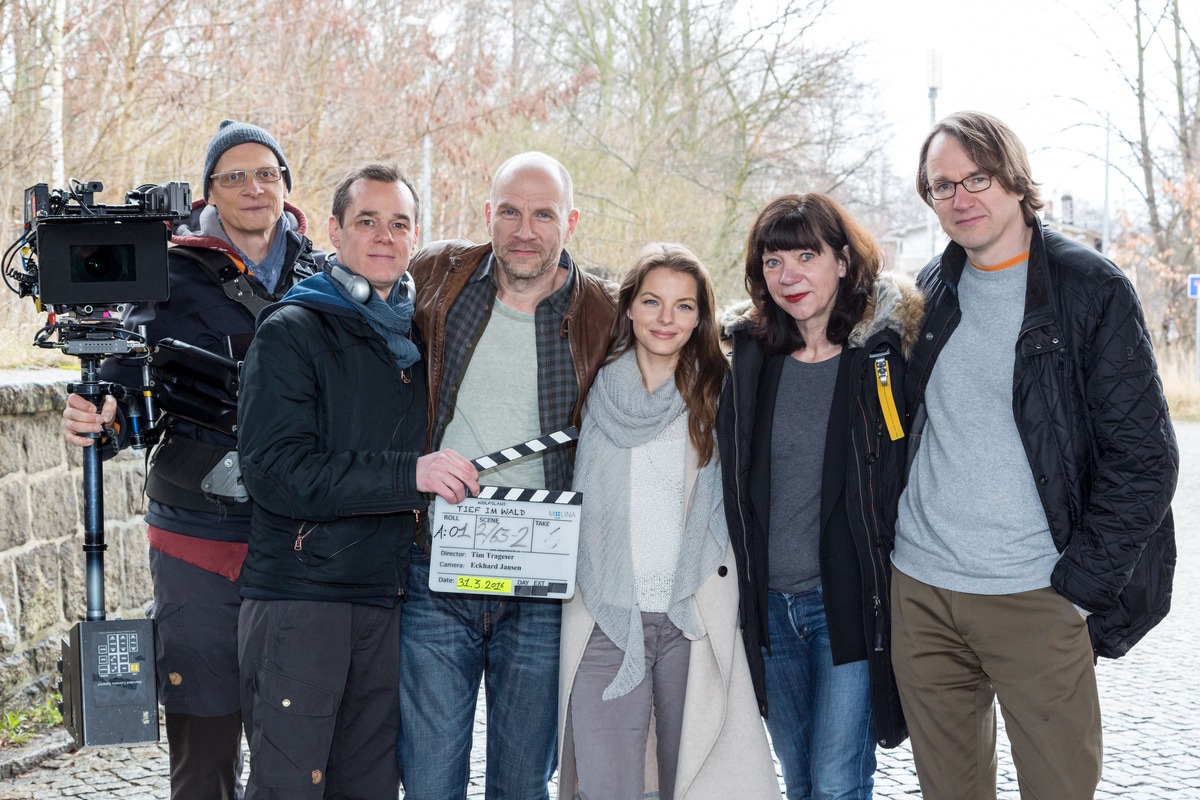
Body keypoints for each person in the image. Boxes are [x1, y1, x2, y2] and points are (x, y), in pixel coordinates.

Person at [891, 110, 1178, 799]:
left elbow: (1146, 460)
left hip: (1036, 594)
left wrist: (1079, 590)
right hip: (923, 592)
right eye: (941, 187)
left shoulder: (1091, 289)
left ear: (1015, 181)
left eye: (977, 178)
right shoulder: (931, 288)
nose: (960, 198)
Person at [60, 119, 317, 800]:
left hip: (300, 535)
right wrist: (98, 415)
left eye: (267, 172)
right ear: (209, 189)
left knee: (293, 729)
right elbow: (118, 376)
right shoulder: (163, 269)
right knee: (203, 724)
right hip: (196, 531)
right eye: (234, 175)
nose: (253, 187)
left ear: (286, 185)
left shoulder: (324, 273)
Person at [235, 162, 479, 798]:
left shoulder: (414, 336)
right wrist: (413, 475)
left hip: (385, 596)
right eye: (366, 221)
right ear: (336, 231)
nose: (383, 236)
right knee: (291, 784)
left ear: (414, 237)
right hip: (303, 595)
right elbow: (277, 473)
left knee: (368, 786)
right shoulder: (292, 329)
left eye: (399, 224)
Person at [400, 151, 617, 800]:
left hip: (544, 589)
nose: (526, 229)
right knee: (431, 780)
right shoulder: (438, 279)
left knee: (523, 783)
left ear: (570, 222)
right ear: (488, 215)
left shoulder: (605, 314)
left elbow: (677, 372)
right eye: (510, 212)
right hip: (437, 570)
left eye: (543, 214)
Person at [558, 243, 781, 800]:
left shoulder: (719, 391)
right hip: (604, 614)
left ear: (701, 316)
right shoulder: (589, 387)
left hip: (693, 614)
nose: (666, 318)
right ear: (628, 306)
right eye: (653, 301)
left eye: (684, 306)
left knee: (697, 779)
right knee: (606, 785)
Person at [715, 193, 919, 799]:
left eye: (807, 255)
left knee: (836, 782)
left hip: (846, 606)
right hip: (770, 609)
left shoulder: (881, 361)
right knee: (799, 781)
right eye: (773, 261)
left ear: (844, 262)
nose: (790, 275)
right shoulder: (749, 359)